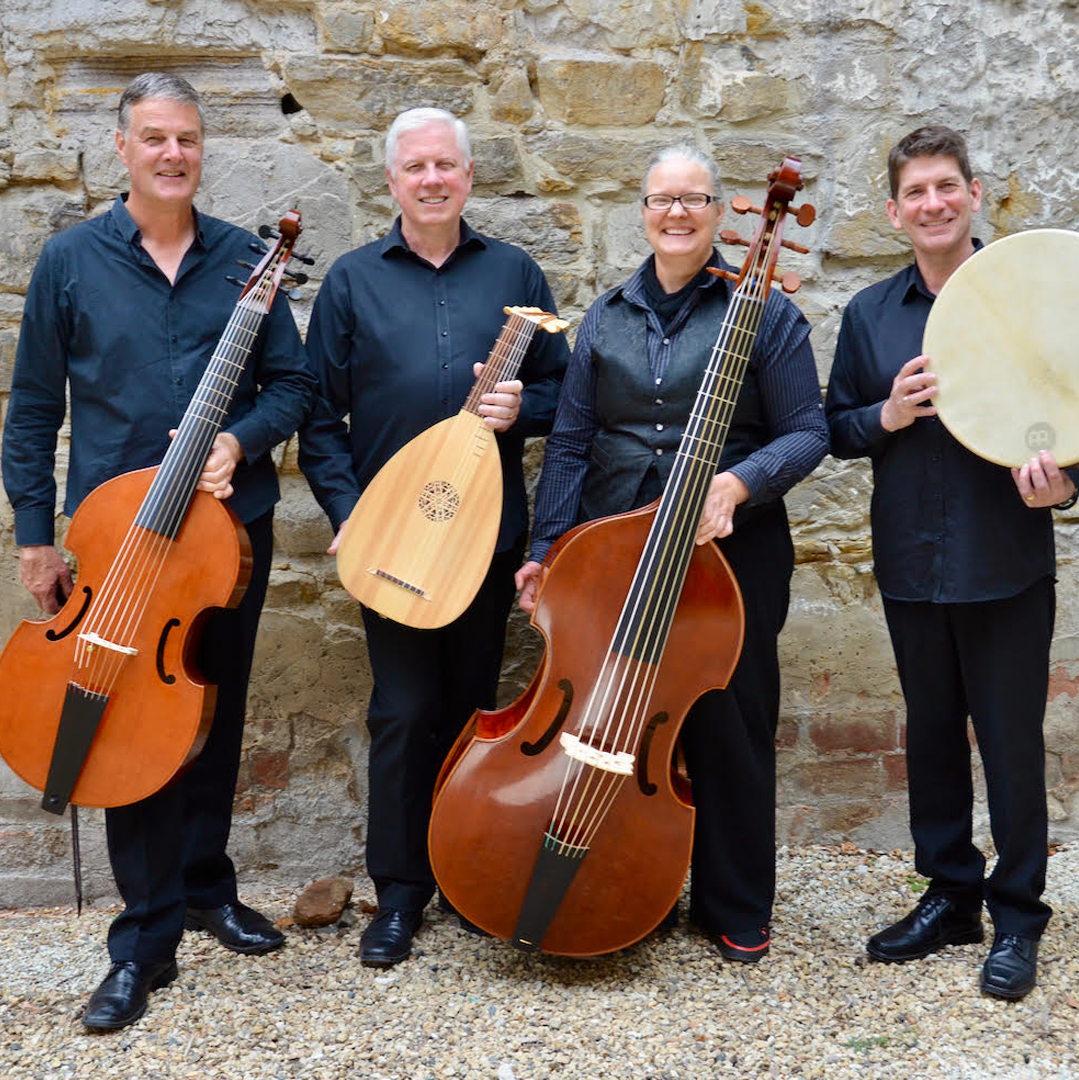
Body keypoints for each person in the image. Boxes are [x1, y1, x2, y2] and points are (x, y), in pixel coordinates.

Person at [1, 73, 314, 1029]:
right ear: (123, 147)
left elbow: (294, 387)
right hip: (113, 540)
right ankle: (142, 943)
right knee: (128, 728)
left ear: (200, 148)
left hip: (222, 546)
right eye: (154, 138)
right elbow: (33, 411)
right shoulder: (69, 261)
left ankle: (206, 888)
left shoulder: (246, 262)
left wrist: (240, 439)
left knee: (210, 715)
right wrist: (33, 536)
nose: (172, 153)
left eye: (186, 138)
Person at [517, 145, 828, 961]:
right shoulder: (608, 317)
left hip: (730, 562)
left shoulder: (763, 309)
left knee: (730, 718)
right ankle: (615, 877)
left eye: (694, 199)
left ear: (721, 212)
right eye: (663, 199)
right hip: (613, 552)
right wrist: (545, 548)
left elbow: (808, 431)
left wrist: (739, 483)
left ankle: (732, 902)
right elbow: (573, 440)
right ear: (643, 210)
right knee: (606, 713)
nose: (678, 213)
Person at [298, 107, 569, 967]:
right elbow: (317, 420)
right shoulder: (350, 282)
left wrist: (526, 407)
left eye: (445, 165)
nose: (431, 180)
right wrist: (349, 513)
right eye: (415, 167)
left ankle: (464, 873)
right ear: (392, 182)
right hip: (394, 543)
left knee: (471, 709)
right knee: (403, 711)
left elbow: (573, 402)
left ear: (468, 176)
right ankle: (401, 893)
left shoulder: (516, 272)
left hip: (484, 538)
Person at [826, 125, 1078, 1000]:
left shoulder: (1031, 297)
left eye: (946, 187)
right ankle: (949, 895)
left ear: (974, 193)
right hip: (909, 562)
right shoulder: (867, 316)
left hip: (1006, 562)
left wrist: (1065, 488)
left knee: (1009, 745)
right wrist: (884, 416)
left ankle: (1017, 919)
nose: (932, 204)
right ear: (894, 214)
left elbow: (1075, 419)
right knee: (930, 736)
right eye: (915, 193)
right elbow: (834, 429)